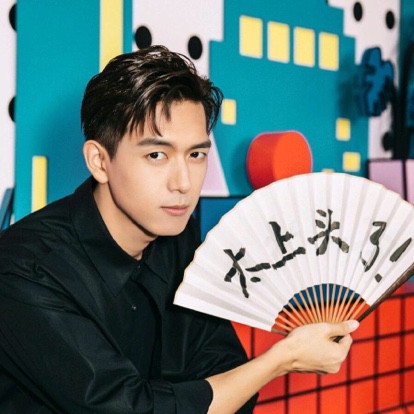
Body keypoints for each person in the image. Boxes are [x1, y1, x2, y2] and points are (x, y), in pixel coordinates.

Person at [0, 45, 358, 414]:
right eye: (156, 155)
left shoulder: (176, 237)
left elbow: (223, 370)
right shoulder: (24, 271)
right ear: (100, 161)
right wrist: (280, 360)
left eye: (196, 155)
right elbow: (130, 409)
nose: (184, 183)